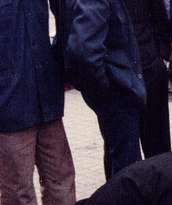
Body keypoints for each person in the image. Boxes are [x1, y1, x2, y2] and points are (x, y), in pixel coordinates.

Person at [0, 0, 76, 205]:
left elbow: (64, 20)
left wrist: (62, 66)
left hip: (46, 95)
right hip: (9, 103)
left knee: (60, 174)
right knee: (18, 185)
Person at [63, 0, 146, 180]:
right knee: (126, 167)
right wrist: (105, 88)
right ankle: (123, 198)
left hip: (115, 87)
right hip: (117, 89)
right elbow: (83, 51)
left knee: (118, 157)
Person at [125, 0, 172, 160]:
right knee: (122, 150)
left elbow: (161, 18)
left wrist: (162, 57)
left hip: (150, 67)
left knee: (157, 143)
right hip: (116, 74)